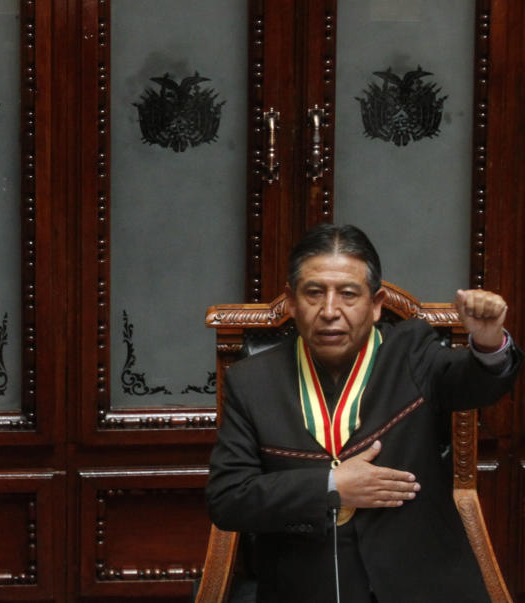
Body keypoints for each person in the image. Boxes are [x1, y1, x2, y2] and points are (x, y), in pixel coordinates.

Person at [206, 224, 521, 603]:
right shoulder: (252, 382)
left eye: (348, 294)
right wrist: (330, 486)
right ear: (291, 302)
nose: (329, 311)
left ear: (375, 305)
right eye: (314, 293)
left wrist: (488, 343)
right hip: (304, 586)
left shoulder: (412, 353)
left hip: (421, 585)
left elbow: (475, 383)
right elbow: (228, 500)